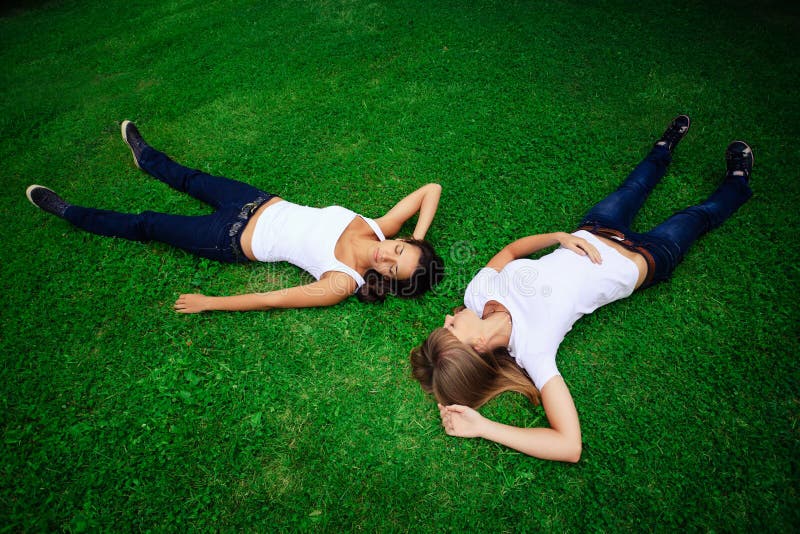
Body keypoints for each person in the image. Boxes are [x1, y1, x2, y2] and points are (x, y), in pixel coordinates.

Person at [410, 115, 753, 462]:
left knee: (633, 188)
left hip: (594, 230)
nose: (447, 317)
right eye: (451, 327)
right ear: (479, 346)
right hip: (645, 259)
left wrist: (558, 238)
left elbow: (510, 252)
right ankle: (738, 184)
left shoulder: (476, 295)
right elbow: (569, 446)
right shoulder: (533, 350)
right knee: (695, 217)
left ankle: (663, 149)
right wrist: (484, 427)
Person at [26, 121, 444, 313]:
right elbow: (431, 190)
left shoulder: (342, 281)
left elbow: (274, 298)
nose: (387, 258)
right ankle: (147, 158)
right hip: (257, 200)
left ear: (389, 282)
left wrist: (211, 303)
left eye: (394, 270)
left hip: (226, 236)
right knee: (191, 178)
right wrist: (420, 239)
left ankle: (69, 211)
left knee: (148, 223)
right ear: (402, 240)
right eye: (399, 251)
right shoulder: (380, 227)